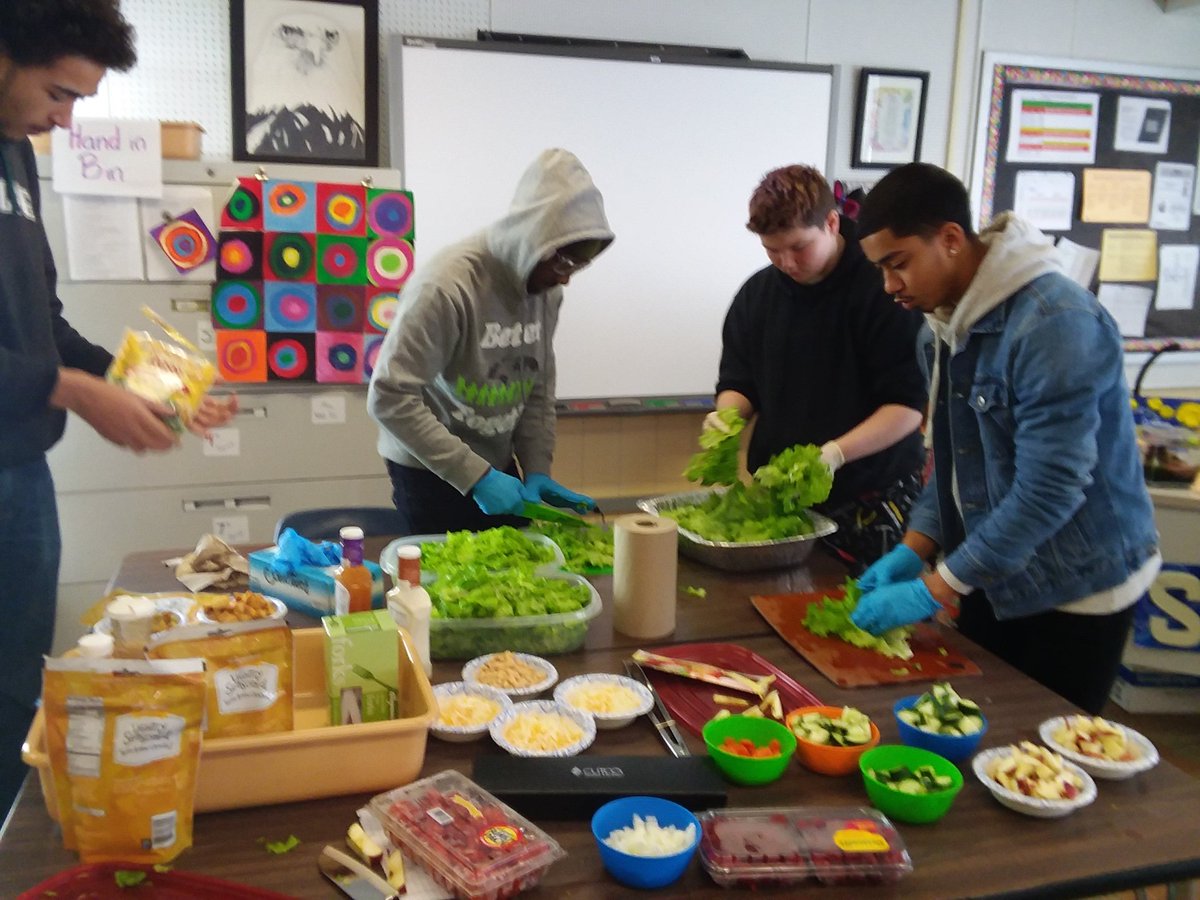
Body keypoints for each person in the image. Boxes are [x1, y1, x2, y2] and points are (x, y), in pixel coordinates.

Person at [0, 0, 238, 819]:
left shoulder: (14, 155)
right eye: (58, 93)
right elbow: (47, 368)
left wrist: (146, 384)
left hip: (20, 470)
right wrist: (68, 390)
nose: (64, 122)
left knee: (16, 683)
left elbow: (43, 325)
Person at [849, 162, 1161, 714]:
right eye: (881, 270)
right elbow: (953, 465)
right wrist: (914, 548)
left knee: (1042, 745)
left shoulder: (1054, 323)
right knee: (975, 723)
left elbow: (1051, 490)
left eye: (898, 264)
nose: (890, 286)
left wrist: (936, 587)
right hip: (992, 571)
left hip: (1076, 585)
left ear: (950, 239)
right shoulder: (939, 329)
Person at [368, 148, 613, 535]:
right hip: (432, 468)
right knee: (449, 571)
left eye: (578, 266)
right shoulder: (445, 287)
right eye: (563, 263)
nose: (566, 279)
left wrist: (537, 469)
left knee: (520, 564)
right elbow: (388, 396)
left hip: (497, 466)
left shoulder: (546, 291)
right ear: (532, 237)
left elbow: (537, 388)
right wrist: (475, 475)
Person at [707, 164, 928, 571]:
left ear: (831, 223)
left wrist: (836, 454)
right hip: (782, 494)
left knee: (865, 603)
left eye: (798, 247)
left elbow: (907, 407)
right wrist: (727, 418)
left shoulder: (885, 290)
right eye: (772, 250)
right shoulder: (756, 295)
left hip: (873, 495)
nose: (786, 262)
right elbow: (740, 381)